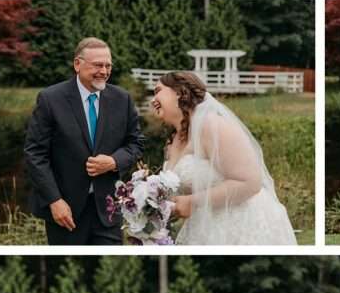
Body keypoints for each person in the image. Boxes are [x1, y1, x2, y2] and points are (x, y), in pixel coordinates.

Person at [152, 71, 297, 245]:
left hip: (243, 224)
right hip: (204, 226)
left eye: (157, 91)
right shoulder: (173, 141)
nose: (153, 99)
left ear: (179, 92)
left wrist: (193, 202)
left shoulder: (211, 125)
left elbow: (250, 182)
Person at [24, 37, 145, 245]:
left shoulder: (122, 99)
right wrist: (54, 200)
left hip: (108, 210)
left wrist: (114, 161)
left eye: (108, 66)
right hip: (65, 213)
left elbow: (136, 144)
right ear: (77, 64)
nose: (104, 71)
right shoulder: (50, 98)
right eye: (98, 65)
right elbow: (35, 154)